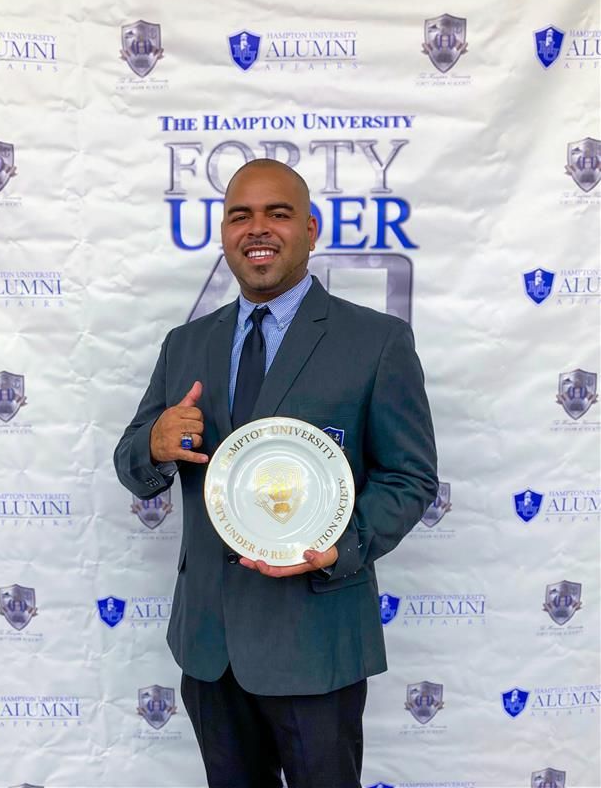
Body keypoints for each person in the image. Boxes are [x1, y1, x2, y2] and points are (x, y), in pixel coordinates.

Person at [114, 159, 438, 787]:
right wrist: (153, 445)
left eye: (277, 213)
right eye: (241, 215)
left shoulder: (377, 342)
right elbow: (134, 464)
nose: (257, 228)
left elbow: (410, 478)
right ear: (225, 233)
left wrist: (339, 548)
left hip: (316, 642)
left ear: (311, 229)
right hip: (210, 645)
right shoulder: (186, 344)